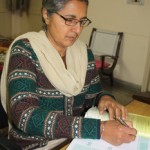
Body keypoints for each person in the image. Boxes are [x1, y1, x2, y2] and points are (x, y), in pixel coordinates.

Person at [1, 0, 137, 149]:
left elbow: (95, 93)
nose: (77, 30)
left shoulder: (83, 52)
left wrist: (104, 98)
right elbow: (24, 114)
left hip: (75, 140)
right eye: (70, 20)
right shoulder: (25, 51)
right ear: (46, 15)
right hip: (36, 145)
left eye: (82, 21)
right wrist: (99, 129)